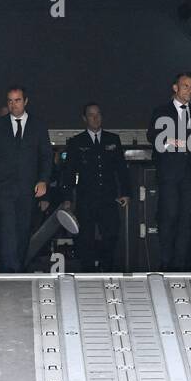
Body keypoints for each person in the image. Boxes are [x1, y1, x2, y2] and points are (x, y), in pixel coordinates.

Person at [146, 72, 191, 271]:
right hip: (170, 175)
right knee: (169, 217)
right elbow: (152, 135)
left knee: (189, 221)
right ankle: (166, 263)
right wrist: (170, 140)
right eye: (186, 86)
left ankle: (184, 265)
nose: (190, 90)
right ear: (175, 88)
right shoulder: (161, 112)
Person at [0, 86, 53, 273]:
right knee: (7, 226)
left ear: (25, 101)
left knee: (24, 228)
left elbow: (46, 156)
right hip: (3, 187)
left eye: (17, 100)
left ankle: (18, 266)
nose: (13, 104)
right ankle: (10, 269)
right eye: (10, 101)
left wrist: (43, 180)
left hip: (28, 187)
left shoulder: (38, 125)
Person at [63, 103, 131, 272]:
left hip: (108, 197)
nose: (95, 118)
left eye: (98, 114)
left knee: (111, 235)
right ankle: (87, 272)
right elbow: (69, 172)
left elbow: (121, 169)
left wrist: (126, 192)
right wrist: (67, 198)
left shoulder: (112, 140)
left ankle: (106, 269)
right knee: (85, 238)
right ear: (85, 118)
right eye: (91, 115)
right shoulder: (77, 142)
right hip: (86, 198)